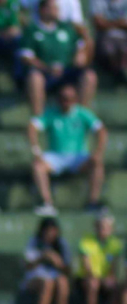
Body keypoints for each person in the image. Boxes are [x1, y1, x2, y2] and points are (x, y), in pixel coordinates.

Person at [27, 83, 106, 216]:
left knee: (97, 164)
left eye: (70, 98)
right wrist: (36, 150)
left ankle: (93, 202)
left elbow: (101, 131)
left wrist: (98, 153)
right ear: (58, 99)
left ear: (75, 99)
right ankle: (47, 203)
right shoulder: (50, 112)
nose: (66, 102)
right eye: (63, 98)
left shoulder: (83, 113)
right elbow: (32, 126)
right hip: (55, 156)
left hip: (79, 156)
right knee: (37, 165)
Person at [20, 0, 97, 116]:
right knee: (34, 78)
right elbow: (26, 57)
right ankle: (38, 121)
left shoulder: (67, 28)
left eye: (57, 8)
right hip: (45, 74)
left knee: (89, 76)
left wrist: (79, 54)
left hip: (67, 72)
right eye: (53, 8)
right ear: (42, 10)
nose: (57, 11)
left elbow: (81, 46)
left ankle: (80, 118)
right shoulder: (32, 30)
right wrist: (47, 68)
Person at [23, 216, 72, 304]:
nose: (50, 234)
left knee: (62, 282)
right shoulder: (34, 242)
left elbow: (68, 270)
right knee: (47, 283)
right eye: (47, 230)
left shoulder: (61, 244)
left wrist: (58, 261)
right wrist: (43, 257)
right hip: (35, 279)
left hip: (55, 277)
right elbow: (28, 266)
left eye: (53, 230)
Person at [76, 209, 124, 304]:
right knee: (93, 284)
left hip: (103, 278)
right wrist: (98, 278)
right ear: (96, 227)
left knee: (117, 286)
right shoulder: (86, 241)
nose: (103, 230)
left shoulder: (115, 244)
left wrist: (109, 277)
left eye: (106, 227)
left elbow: (113, 266)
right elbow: (87, 267)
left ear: (111, 229)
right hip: (86, 278)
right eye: (101, 227)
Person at [92, 0, 127, 79]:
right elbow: (98, 23)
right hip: (105, 37)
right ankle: (114, 75)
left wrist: (107, 23)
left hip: (123, 37)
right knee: (109, 50)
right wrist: (120, 23)